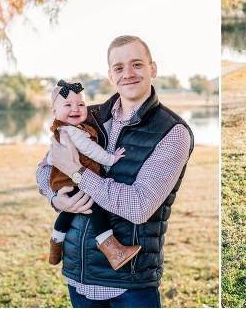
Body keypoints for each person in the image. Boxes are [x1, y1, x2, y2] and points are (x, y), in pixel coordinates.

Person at [36, 35, 194, 307]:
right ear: (110, 76)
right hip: (78, 274)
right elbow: (44, 168)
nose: (128, 74)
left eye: (137, 64)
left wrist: (77, 173)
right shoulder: (85, 117)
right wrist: (55, 198)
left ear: (152, 69)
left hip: (130, 283)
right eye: (119, 68)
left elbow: (139, 206)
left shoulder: (172, 132)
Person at [44, 79, 139, 270]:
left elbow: (52, 156)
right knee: (95, 208)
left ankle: (55, 248)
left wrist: (47, 160)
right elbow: (92, 150)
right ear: (54, 111)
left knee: (67, 212)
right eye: (68, 105)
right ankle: (114, 251)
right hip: (74, 180)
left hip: (64, 183)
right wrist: (111, 159)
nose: (76, 109)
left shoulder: (63, 129)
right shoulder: (74, 132)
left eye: (81, 104)